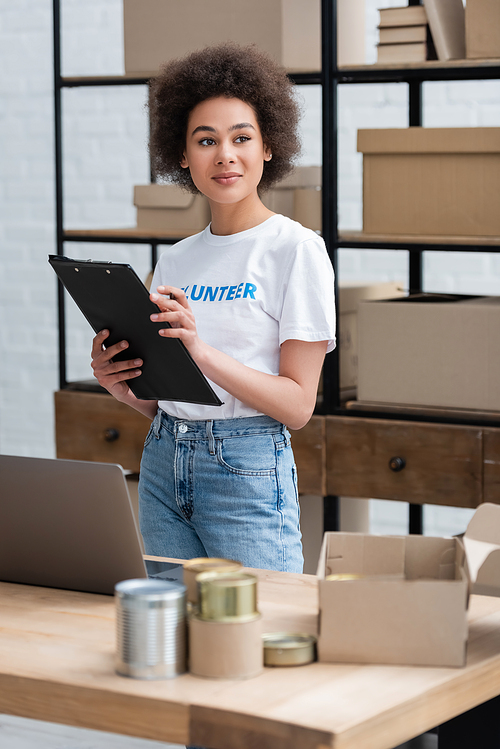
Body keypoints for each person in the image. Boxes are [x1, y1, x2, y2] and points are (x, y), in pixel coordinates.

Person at [91, 42, 336, 574]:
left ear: (268, 146)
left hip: (246, 467)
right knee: (172, 634)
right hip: (162, 459)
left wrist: (199, 350)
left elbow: (297, 407)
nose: (225, 154)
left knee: (257, 633)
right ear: (182, 156)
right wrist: (124, 389)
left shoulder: (296, 250)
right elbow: (178, 402)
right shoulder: (175, 261)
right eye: (206, 140)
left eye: (241, 137)